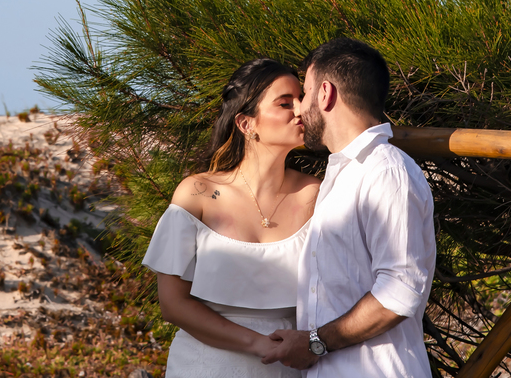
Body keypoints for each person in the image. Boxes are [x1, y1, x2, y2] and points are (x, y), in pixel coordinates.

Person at [261, 37, 436, 377]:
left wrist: (315, 343)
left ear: (325, 93)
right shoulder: (343, 174)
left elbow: (400, 292)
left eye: (305, 93)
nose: (299, 108)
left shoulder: (387, 172)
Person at [142, 58, 321, 377]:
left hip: (286, 366)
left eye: (300, 99)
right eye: (284, 103)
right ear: (246, 124)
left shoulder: (316, 194)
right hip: (205, 366)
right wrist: (258, 344)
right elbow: (173, 304)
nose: (300, 110)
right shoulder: (197, 193)